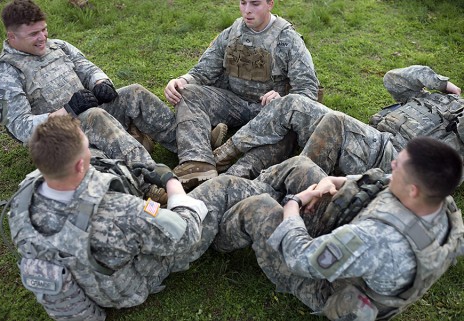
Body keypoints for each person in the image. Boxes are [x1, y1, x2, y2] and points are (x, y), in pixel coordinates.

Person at [212, 137, 464, 320]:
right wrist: (333, 182)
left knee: (259, 208)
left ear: (413, 190)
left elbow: (301, 259)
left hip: (329, 287)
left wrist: (292, 207)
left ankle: (214, 236)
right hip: (353, 248)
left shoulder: (375, 240)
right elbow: (381, 182)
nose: (393, 165)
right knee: (301, 166)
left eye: (399, 166)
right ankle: (244, 187)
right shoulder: (438, 203)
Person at [8, 115, 208, 320]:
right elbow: (186, 233)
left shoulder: (21, 200)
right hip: (127, 286)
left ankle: (148, 175)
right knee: (221, 190)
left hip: (89, 279)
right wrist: (171, 183)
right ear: (79, 166)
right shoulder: (120, 211)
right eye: (86, 148)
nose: (89, 150)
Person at [0, 0, 177, 169]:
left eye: (44, 29)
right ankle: (152, 177)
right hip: (61, 139)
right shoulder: (4, 75)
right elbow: (21, 129)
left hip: (94, 117)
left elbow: (87, 68)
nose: (43, 37)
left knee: (134, 92)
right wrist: (68, 110)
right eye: (34, 34)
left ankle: (189, 149)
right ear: (12, 37)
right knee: (94, 119)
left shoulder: (58, 46)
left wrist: (101, 83)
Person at [165, 0, 320, 187]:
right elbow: (204, 69)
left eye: (255, 4)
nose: (247, 10)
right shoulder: (233, 32)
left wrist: (283, 100)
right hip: (234, 103)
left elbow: (307, 90)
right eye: (243, 3)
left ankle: (226, 182)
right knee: (188, 93)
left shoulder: (288, 40)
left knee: (279, 140)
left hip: (271, 114)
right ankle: (197, 162)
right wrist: (183, 80)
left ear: (270, 4)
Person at [214, 65, 464, 177]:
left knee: (336, 121)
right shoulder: (440, 98)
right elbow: (393, 79)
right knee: (292, 104)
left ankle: (295, 185)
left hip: (395, 161)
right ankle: (222, 157)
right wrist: (441, 83)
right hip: (371, 137)